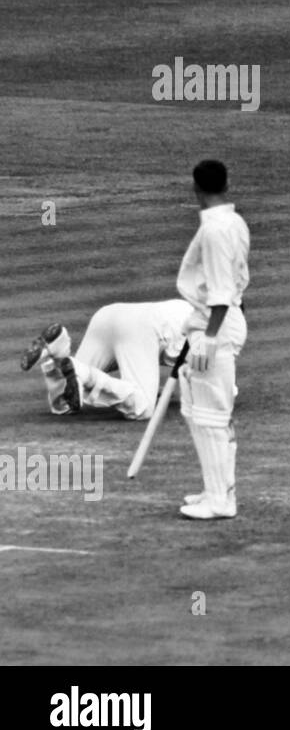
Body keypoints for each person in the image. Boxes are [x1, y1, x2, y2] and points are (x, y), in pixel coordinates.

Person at [175, 159, 250, 520]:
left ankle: (222, 500)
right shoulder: (233, 222)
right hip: (213, 323)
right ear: (227, 183)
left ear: (195, 188)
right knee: (195, 412)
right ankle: (212, 490)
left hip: (215, 326)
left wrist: (208, 336)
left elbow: (221, 291)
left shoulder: (217, 230)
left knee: (213, 416)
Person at [18, 300, 193, 418]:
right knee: (143, 408)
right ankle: (85, 374)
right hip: (139, 328)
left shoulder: (191, 311)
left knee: (65, 402)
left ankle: (57, 349)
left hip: (108, 315)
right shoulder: (211, 339)